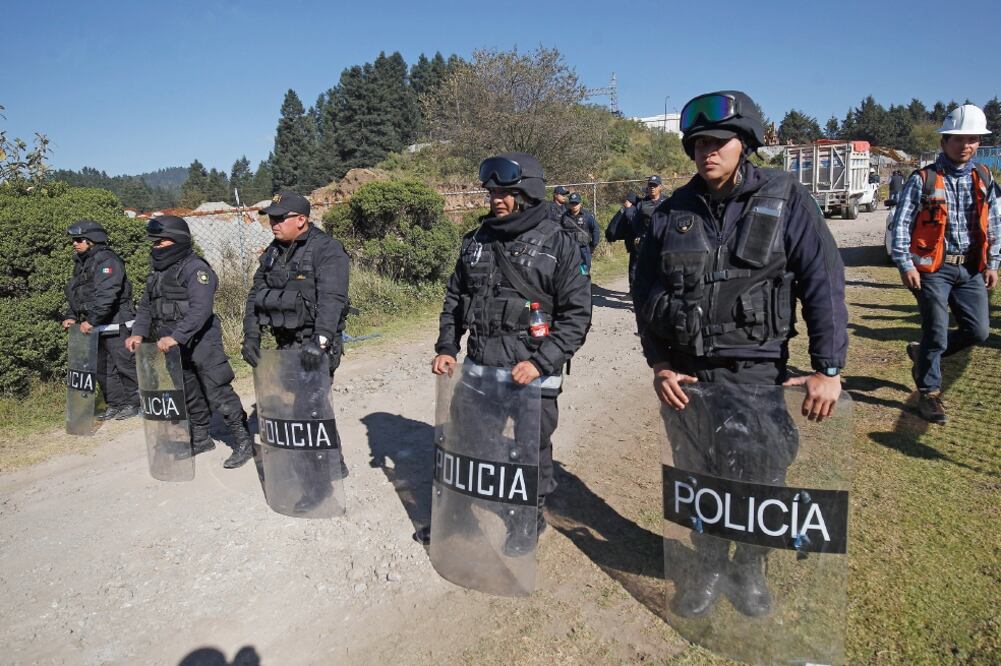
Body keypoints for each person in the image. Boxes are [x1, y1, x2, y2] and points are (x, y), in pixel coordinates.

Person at [633, 90, 848, 618]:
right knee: (697, 474)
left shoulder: (785, 197)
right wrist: (659, 363)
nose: (708, 151)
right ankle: (707, 564)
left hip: (756, 368)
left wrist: (829, 368)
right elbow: (644, 294)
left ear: (744, 143)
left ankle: (749, 568)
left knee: (759, 475)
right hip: (686, 373)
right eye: (699, 142)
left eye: (719, 142)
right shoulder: (671, 212)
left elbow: (823, 280)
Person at [431, 152, 592, 552]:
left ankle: (527, 515)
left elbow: (577, 315)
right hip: (481, 367)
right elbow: (456, 299)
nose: (496, 199)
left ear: (528, 193)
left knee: (529, 448)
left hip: (531, 374)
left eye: (506, 192)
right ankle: (461, 512)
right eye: (492, 192)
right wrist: (447, 346)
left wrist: (539, 363)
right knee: (470, 443)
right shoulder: (475, 242)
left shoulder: (560, 243)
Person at [889, 104, 999, 424]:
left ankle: (921, 354)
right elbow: (901, 224)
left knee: (978, 331)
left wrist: (993, 262)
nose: (966, 146)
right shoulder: (924, 179)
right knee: (936, 330)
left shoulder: (983, 177)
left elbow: (994, 222)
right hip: (932, 269)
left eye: (973, 140)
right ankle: (929, 392)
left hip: (970, 268)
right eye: (959, 139)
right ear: (944, 142)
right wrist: (905, 264)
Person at [241, 191, 351, 511]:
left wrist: (319, 343)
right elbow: (255, 295)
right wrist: (251, 336)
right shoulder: (274, 253)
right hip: (285, 346)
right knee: (311, 408)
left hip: (315, 344)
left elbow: (333, 299)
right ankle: (335, 460)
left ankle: (318, 489)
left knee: (306, 412)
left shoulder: (327, 250)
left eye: (279, 218)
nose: (272, 224)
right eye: (271, 218)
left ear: (301, 220)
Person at [125, 216, 255, 469]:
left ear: (178, 240)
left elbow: (201, 310)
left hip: (201, 342)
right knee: (188, 392)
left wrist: (177, 336)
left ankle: (243, 441)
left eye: (161, 241)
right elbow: (145, 306)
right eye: (155, 242)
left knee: (217, 391)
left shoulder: (196, 269)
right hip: (171, 346)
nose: (156, 246)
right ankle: (201, 438)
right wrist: (138, 333)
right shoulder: (158, 273)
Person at [63, 220, 140, 420]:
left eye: (79, 239)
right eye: (73, 240)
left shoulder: (108, 260)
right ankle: (116, 404)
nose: (75, 243)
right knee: (102, 369)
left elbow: (107, 294)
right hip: (95, 325)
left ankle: (135, 403)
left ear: (93, 240)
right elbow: (77, 293)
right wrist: (72, 316)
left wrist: (93, 319)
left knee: (124, 365)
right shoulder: (81, 264)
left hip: (116, 321)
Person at [605, 193, 641, 289]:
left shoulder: (632, 210)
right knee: (634, 265)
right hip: (634, 242)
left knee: (636, 265)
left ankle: (635, 288)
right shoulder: (632, 209)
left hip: (637, 242)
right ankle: (634, 288)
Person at [623, 175, 666, 252]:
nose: (652, 187)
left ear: (660, 187)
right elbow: (635, 222)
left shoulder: (667, 202)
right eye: (650, 185)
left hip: (664, 240)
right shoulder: (642, 204)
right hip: (647, 240)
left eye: (655, 185)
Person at [561, 192, 600, 273]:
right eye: (572, 203)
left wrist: (593, 246)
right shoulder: (564, 216)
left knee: (584, 273)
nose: (574, 205)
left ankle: (584, 285)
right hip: (568, 250)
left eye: (576, 203)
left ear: (580, 204)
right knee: (569, 273)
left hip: (583, 250)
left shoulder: (587, 216)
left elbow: (596, 230)